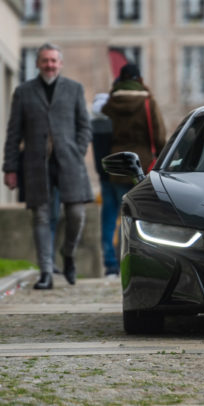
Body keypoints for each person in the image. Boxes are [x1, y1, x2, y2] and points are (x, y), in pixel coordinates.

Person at [2, 43, 93, 290]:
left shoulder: (74, 89)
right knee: (41, 217)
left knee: (76, 214)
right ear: (37, 63)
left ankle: (68, 253)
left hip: (69, 163)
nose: (49, 65)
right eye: (45, 60)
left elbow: (85, 126)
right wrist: (9, 168)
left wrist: (78, 150)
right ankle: (46, 273)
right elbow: (13, 133)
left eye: (54, 60)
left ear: (60, 64)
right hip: (35, 165)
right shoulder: (23, 92)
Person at [101, 63, 166, 200]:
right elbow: (159, 136)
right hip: (144, 165)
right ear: (140, 80)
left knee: (123, 212)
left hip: (117, 165)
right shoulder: (148, 103)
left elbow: (103, 134)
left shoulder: (109, 105)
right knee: (142, 211)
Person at [92, 93, 120, 277]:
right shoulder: (117, 119)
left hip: (104, 176)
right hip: (122, 174)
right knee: (129, 220)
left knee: (108, 221)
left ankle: (110, 265)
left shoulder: (93, 121)